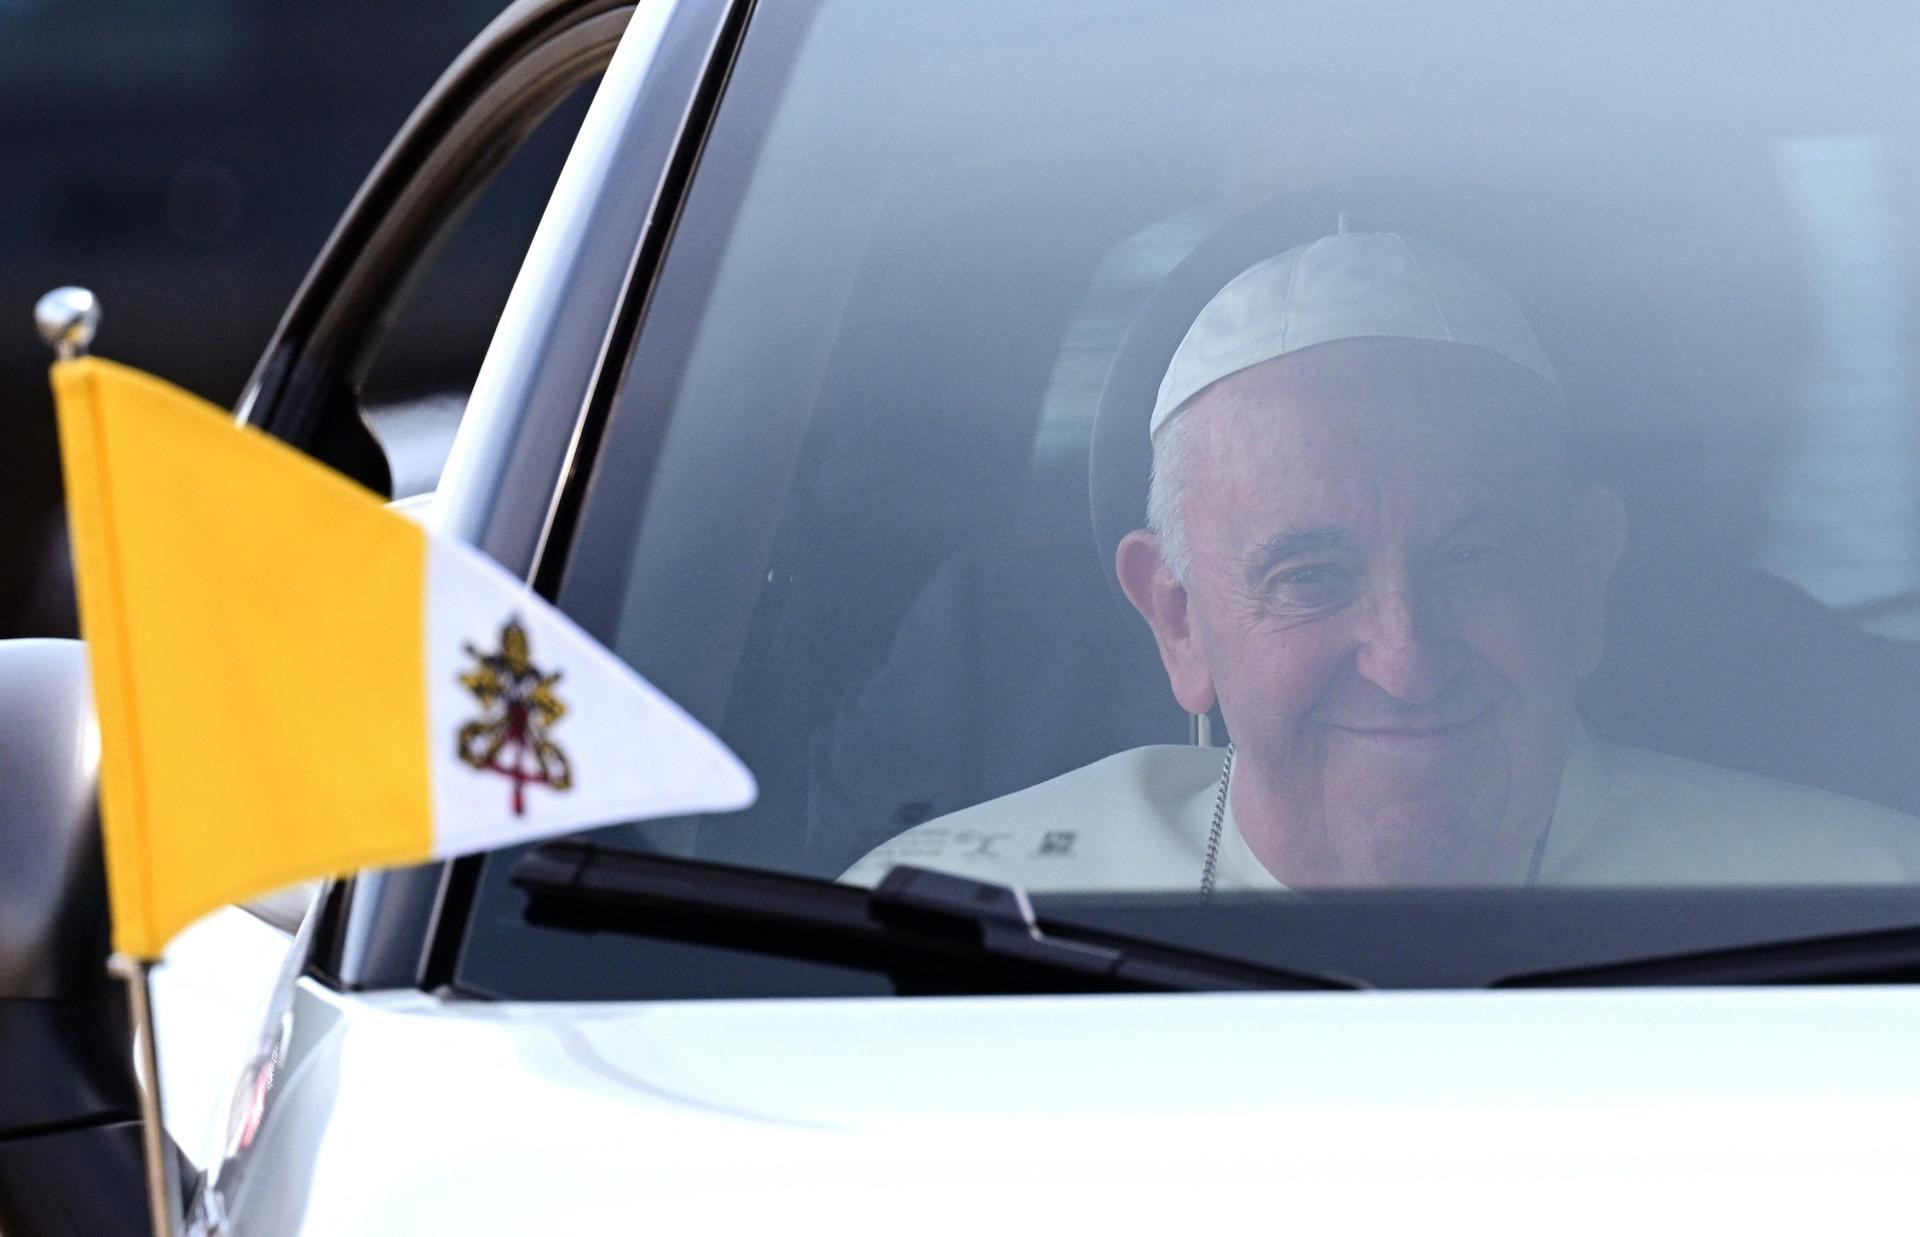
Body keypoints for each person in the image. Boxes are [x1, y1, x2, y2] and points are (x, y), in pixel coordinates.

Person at [843, 231, 1920, 892]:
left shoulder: (1857, 908)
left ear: (1585, 579)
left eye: (1474, 559)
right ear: (1179, 618)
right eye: (1309, 577)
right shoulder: (948, 934)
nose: (1407, 660)